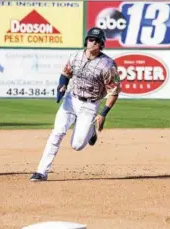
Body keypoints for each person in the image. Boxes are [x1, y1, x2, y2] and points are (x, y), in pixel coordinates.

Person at [30, 27, 121, 181]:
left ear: (101, 45)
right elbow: (65, 73)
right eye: (91, 39)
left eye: (97, 41)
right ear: (86, 40)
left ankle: (91, 130)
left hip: (90, 105)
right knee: (57, 133)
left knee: (77, 145)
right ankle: (41, 171)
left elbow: (114, 91)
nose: (93, 43)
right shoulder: (75, 56)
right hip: (71, 100)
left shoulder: (107, 65)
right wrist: (62, 85)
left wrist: (103, 113)